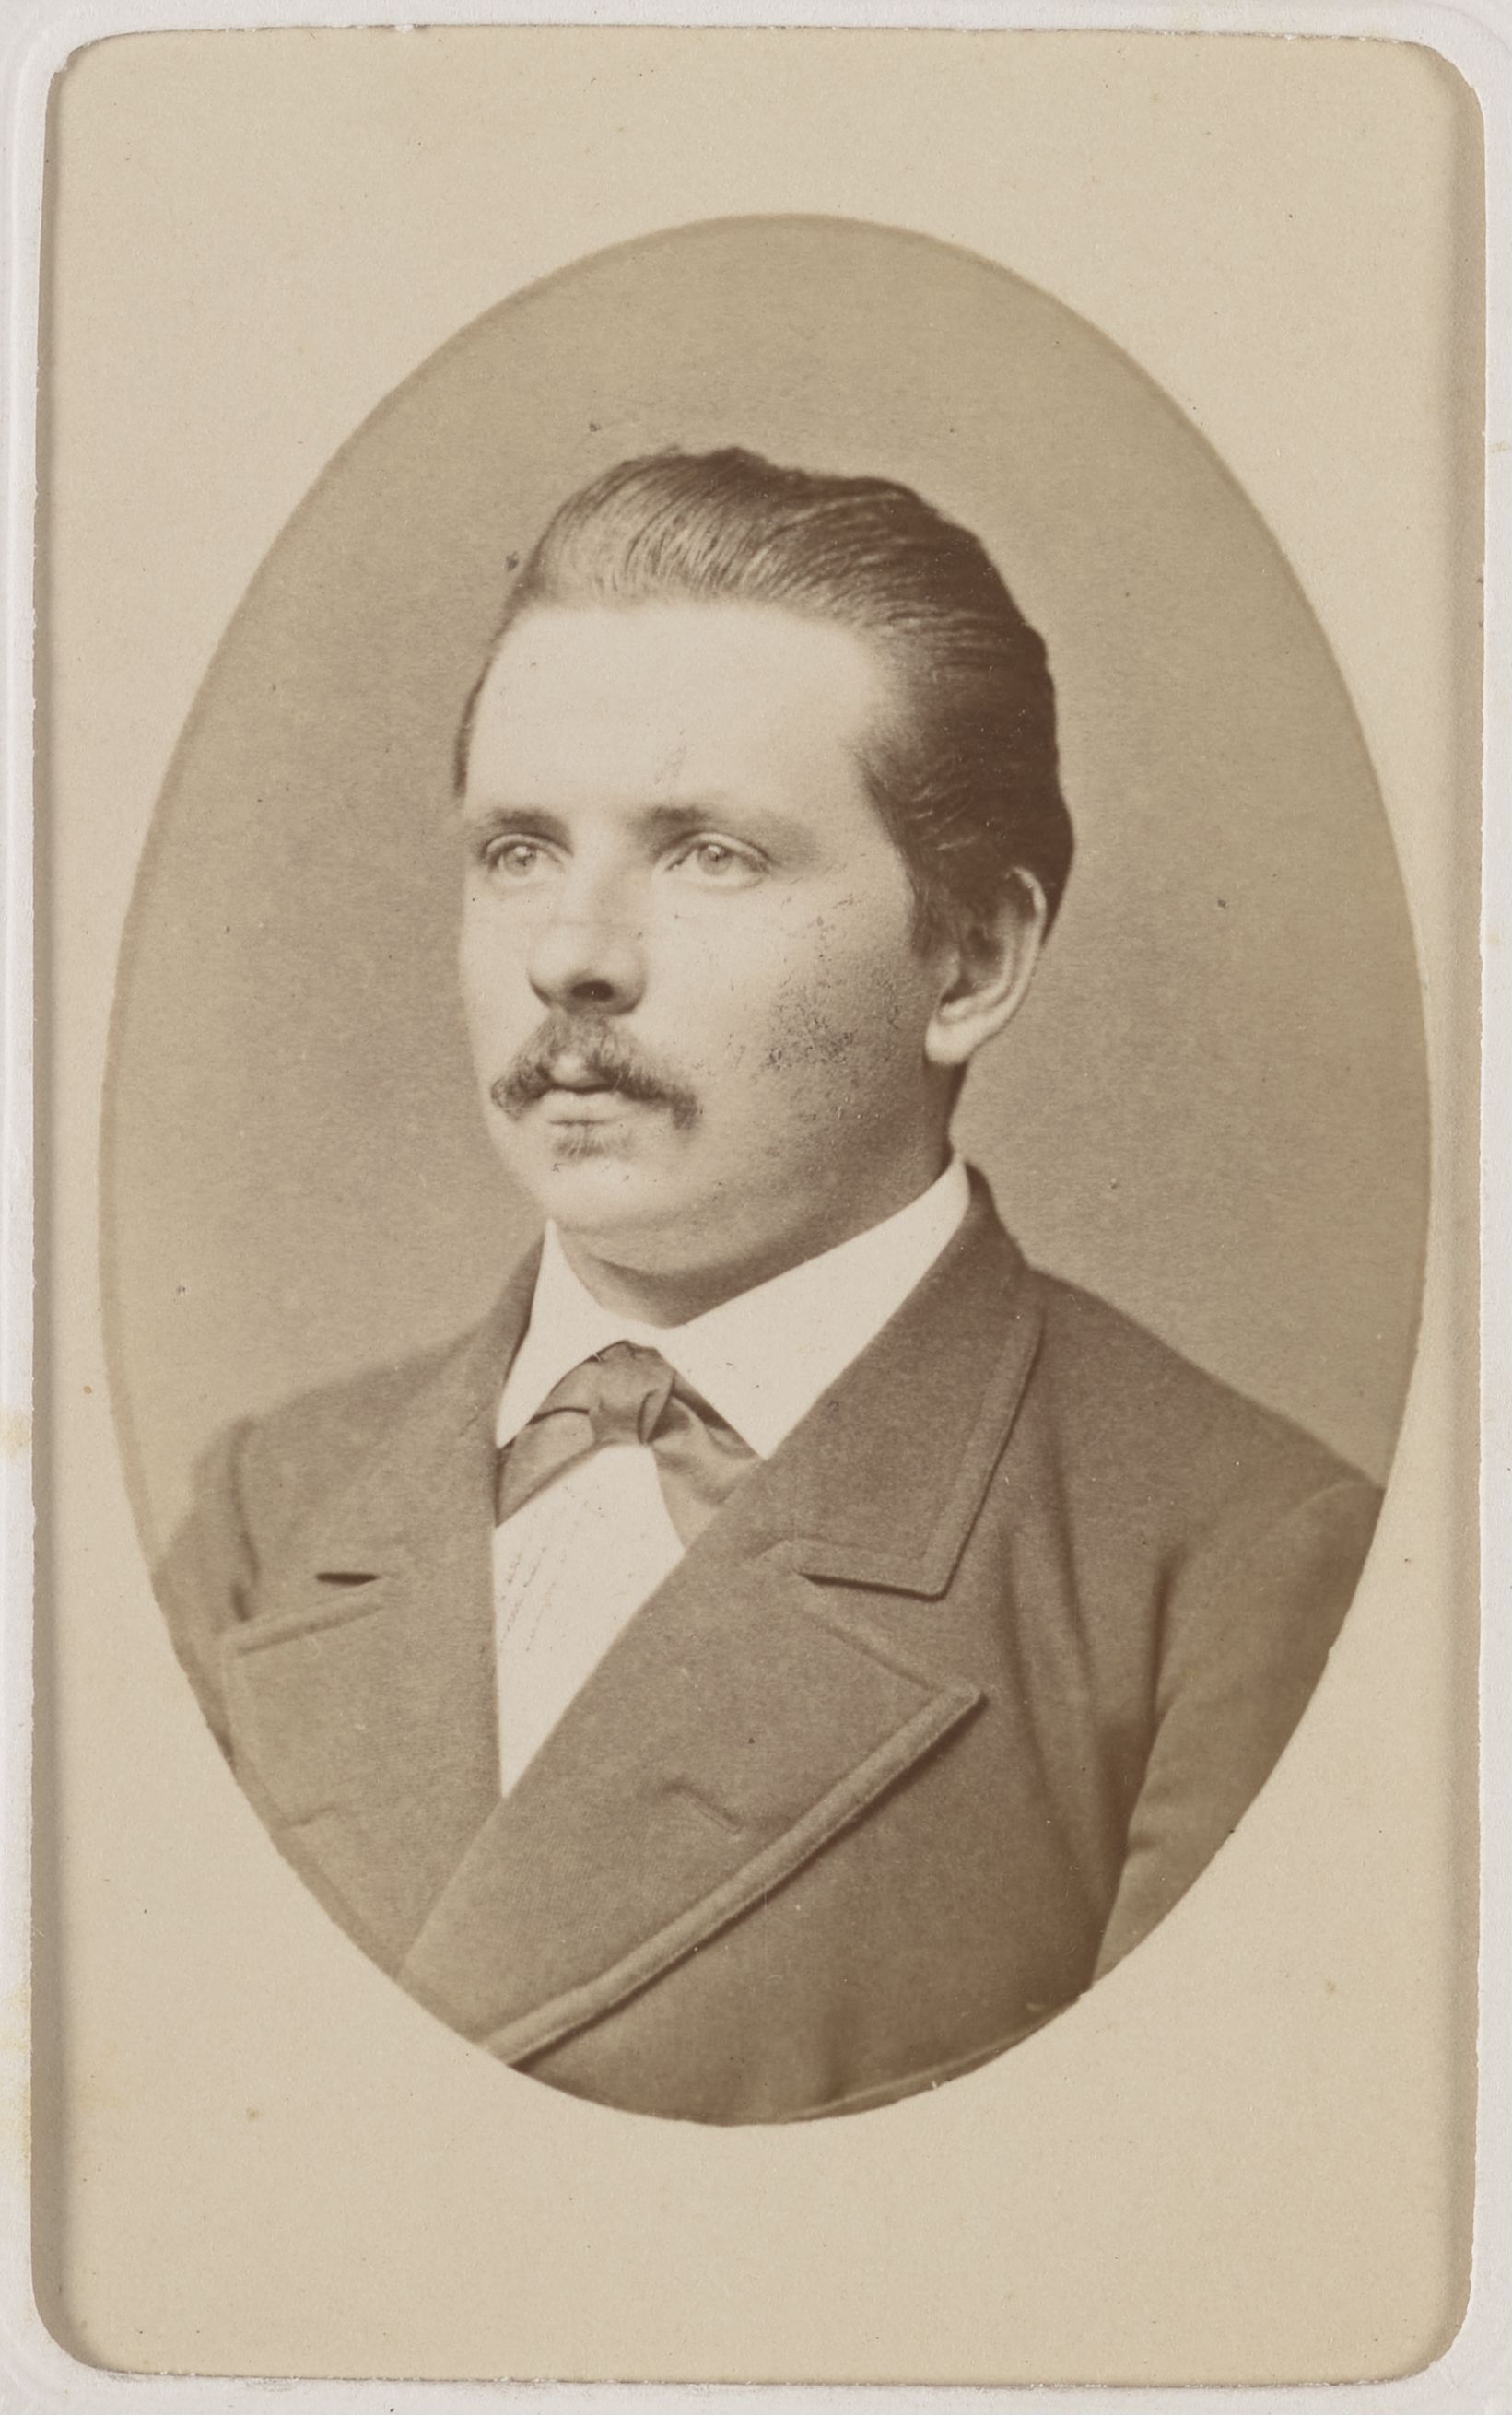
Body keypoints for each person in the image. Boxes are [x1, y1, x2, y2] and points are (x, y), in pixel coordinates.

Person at [157, 448, 1380, 2125]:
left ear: (969, 961)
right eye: (518, 848)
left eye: (710, 853)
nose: (570, 953)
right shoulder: (267, 1510)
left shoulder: (1234, 1575)